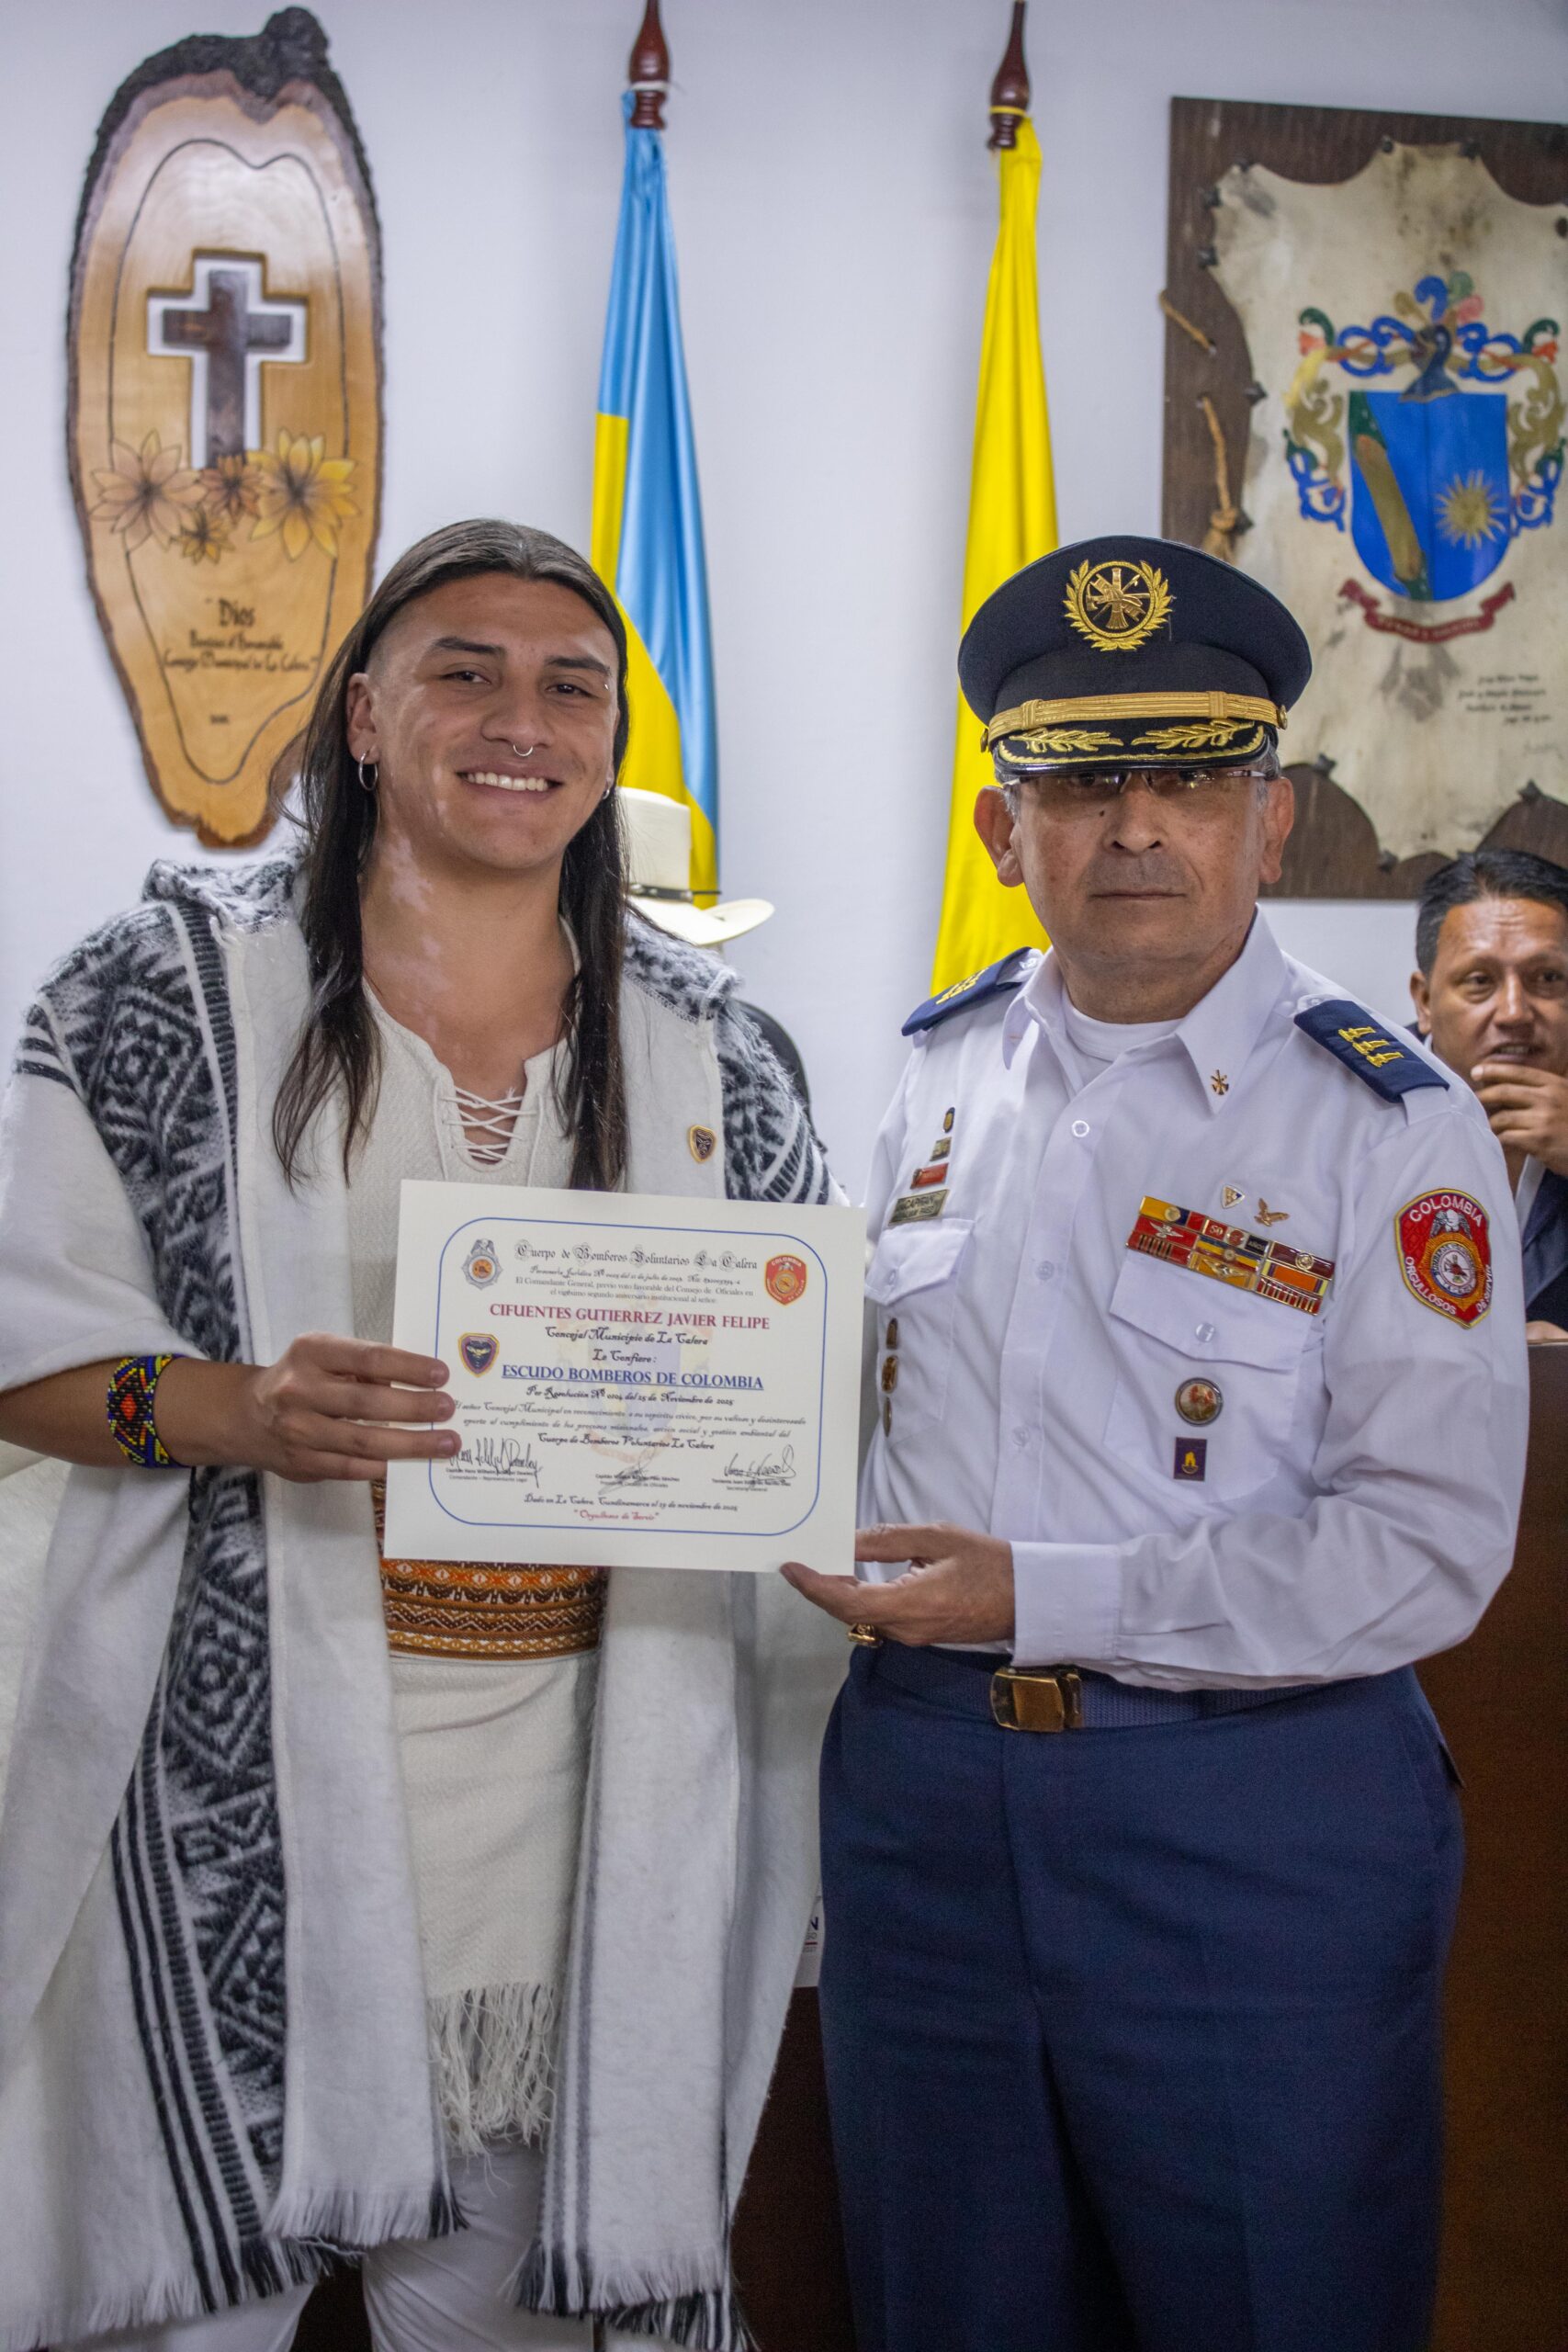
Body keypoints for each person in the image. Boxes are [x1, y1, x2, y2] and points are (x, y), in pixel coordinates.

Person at [0, 519, 843, 2352]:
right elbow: (22, 1355)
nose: (519, 719)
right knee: (180, 2314)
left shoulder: (722, 1055)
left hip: (584, 1804)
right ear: (365, 717)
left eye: (571, 686)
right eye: (463, 670)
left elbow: (801, 1403)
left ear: (609, 744)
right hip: (226, 1798)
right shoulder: (153, 1001)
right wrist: (233, 1408)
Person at [784, 536, 1528, 2352]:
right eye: (1079, 784)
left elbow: (1424, 1549)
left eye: (1190, 781)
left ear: (1269, 821)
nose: (1135, 828)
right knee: (942, 2308)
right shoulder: (931, 1075)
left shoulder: (1388, 1121)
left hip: (1249, 1816)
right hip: (924, 1808)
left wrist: (1033, 1596)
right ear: (1001, 830)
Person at [1411, 846, 1568, 1338]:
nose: (1515, 1012)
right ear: (1425, 1001)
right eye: (1480, 981)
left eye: (1548, 978)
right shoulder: (1352, 1103)